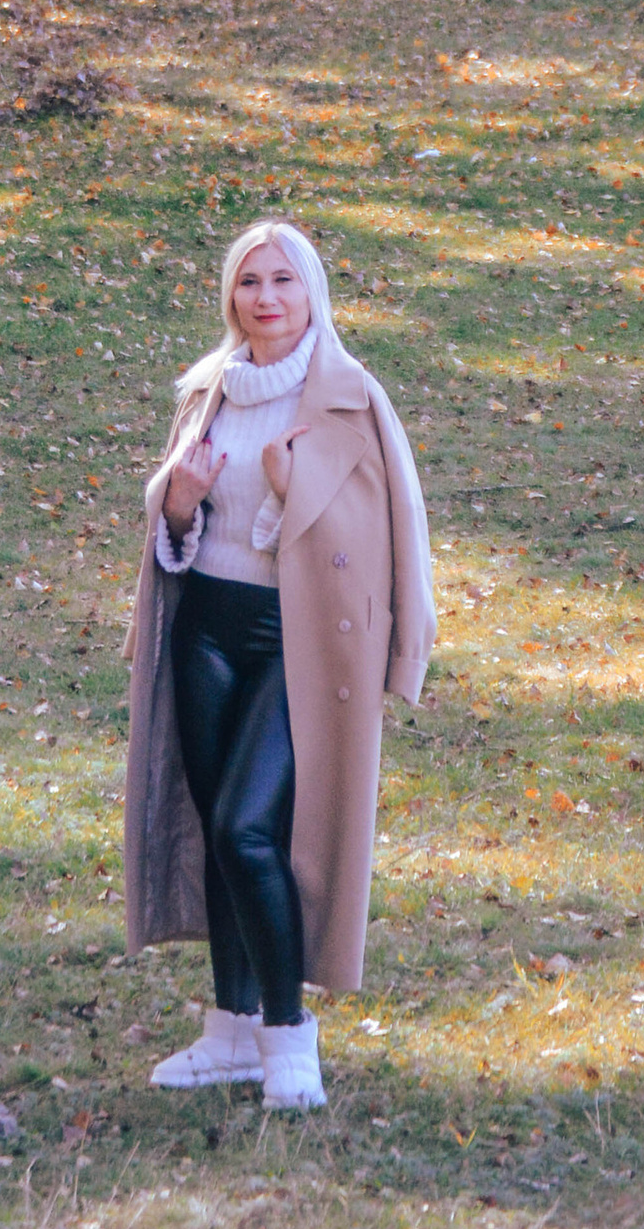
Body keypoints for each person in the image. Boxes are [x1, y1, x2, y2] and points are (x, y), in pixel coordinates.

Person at [122, 218, 435, 1111]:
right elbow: (180, 525)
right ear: (232, 296)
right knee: (215, 832)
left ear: (312, 294)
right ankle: (230, 1032)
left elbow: (392, 531)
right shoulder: (208, 392)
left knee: (246, 832)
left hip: (299, 642)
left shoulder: (351, 398)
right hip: (204, 631)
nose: (266, 298)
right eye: (249, 281)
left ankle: (289, 1036)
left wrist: (293, 494)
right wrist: (177, 506)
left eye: (283, 280)